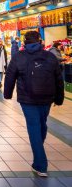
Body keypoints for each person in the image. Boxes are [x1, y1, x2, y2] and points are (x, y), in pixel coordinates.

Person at [4, 31, 64, 177]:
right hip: (47, 98)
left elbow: (10, 75)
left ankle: (40, 165)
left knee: (34, 127)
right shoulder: (50, 56)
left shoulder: (19, 56)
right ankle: (40, 156)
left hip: (27, 98)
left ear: (24, 42)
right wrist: (59, 98)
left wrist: (7, 94)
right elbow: (58, 79)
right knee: (41, 125)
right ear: (39, 41)